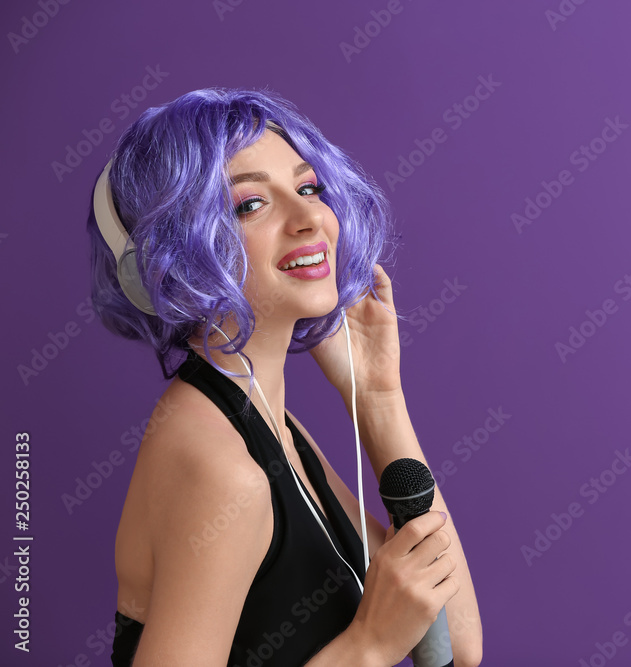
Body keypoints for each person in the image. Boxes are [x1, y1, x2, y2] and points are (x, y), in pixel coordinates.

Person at [86, 87, 482, 666]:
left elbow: (457, 642)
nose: (308, 219)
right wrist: (367, 647)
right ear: (171, 257)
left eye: (307, 187)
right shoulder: (220, 465)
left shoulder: (268, 424)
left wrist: (377, 399)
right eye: (250, 204)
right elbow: (400, 640)